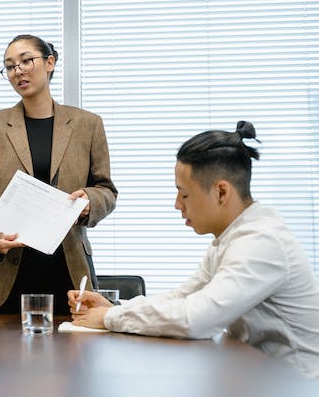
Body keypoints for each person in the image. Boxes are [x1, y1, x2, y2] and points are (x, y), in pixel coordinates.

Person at [69, 121, 319, 379]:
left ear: (222, 192)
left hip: (298, 388)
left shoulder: (261, 243)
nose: (177, 205)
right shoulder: (231, 239)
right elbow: (184, 296)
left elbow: (196, 319)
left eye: (184, 194)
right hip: (259, 379)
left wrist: (110, 317)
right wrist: (114, 307)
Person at [0, 34, 117, 315]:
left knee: (74, 355)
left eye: (26, 61)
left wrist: (90, 200)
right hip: (4, 271)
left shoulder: (87, 125)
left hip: (67, 268)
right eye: (9, 66)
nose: (17, 71)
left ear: (50, 63)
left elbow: (106, 190)